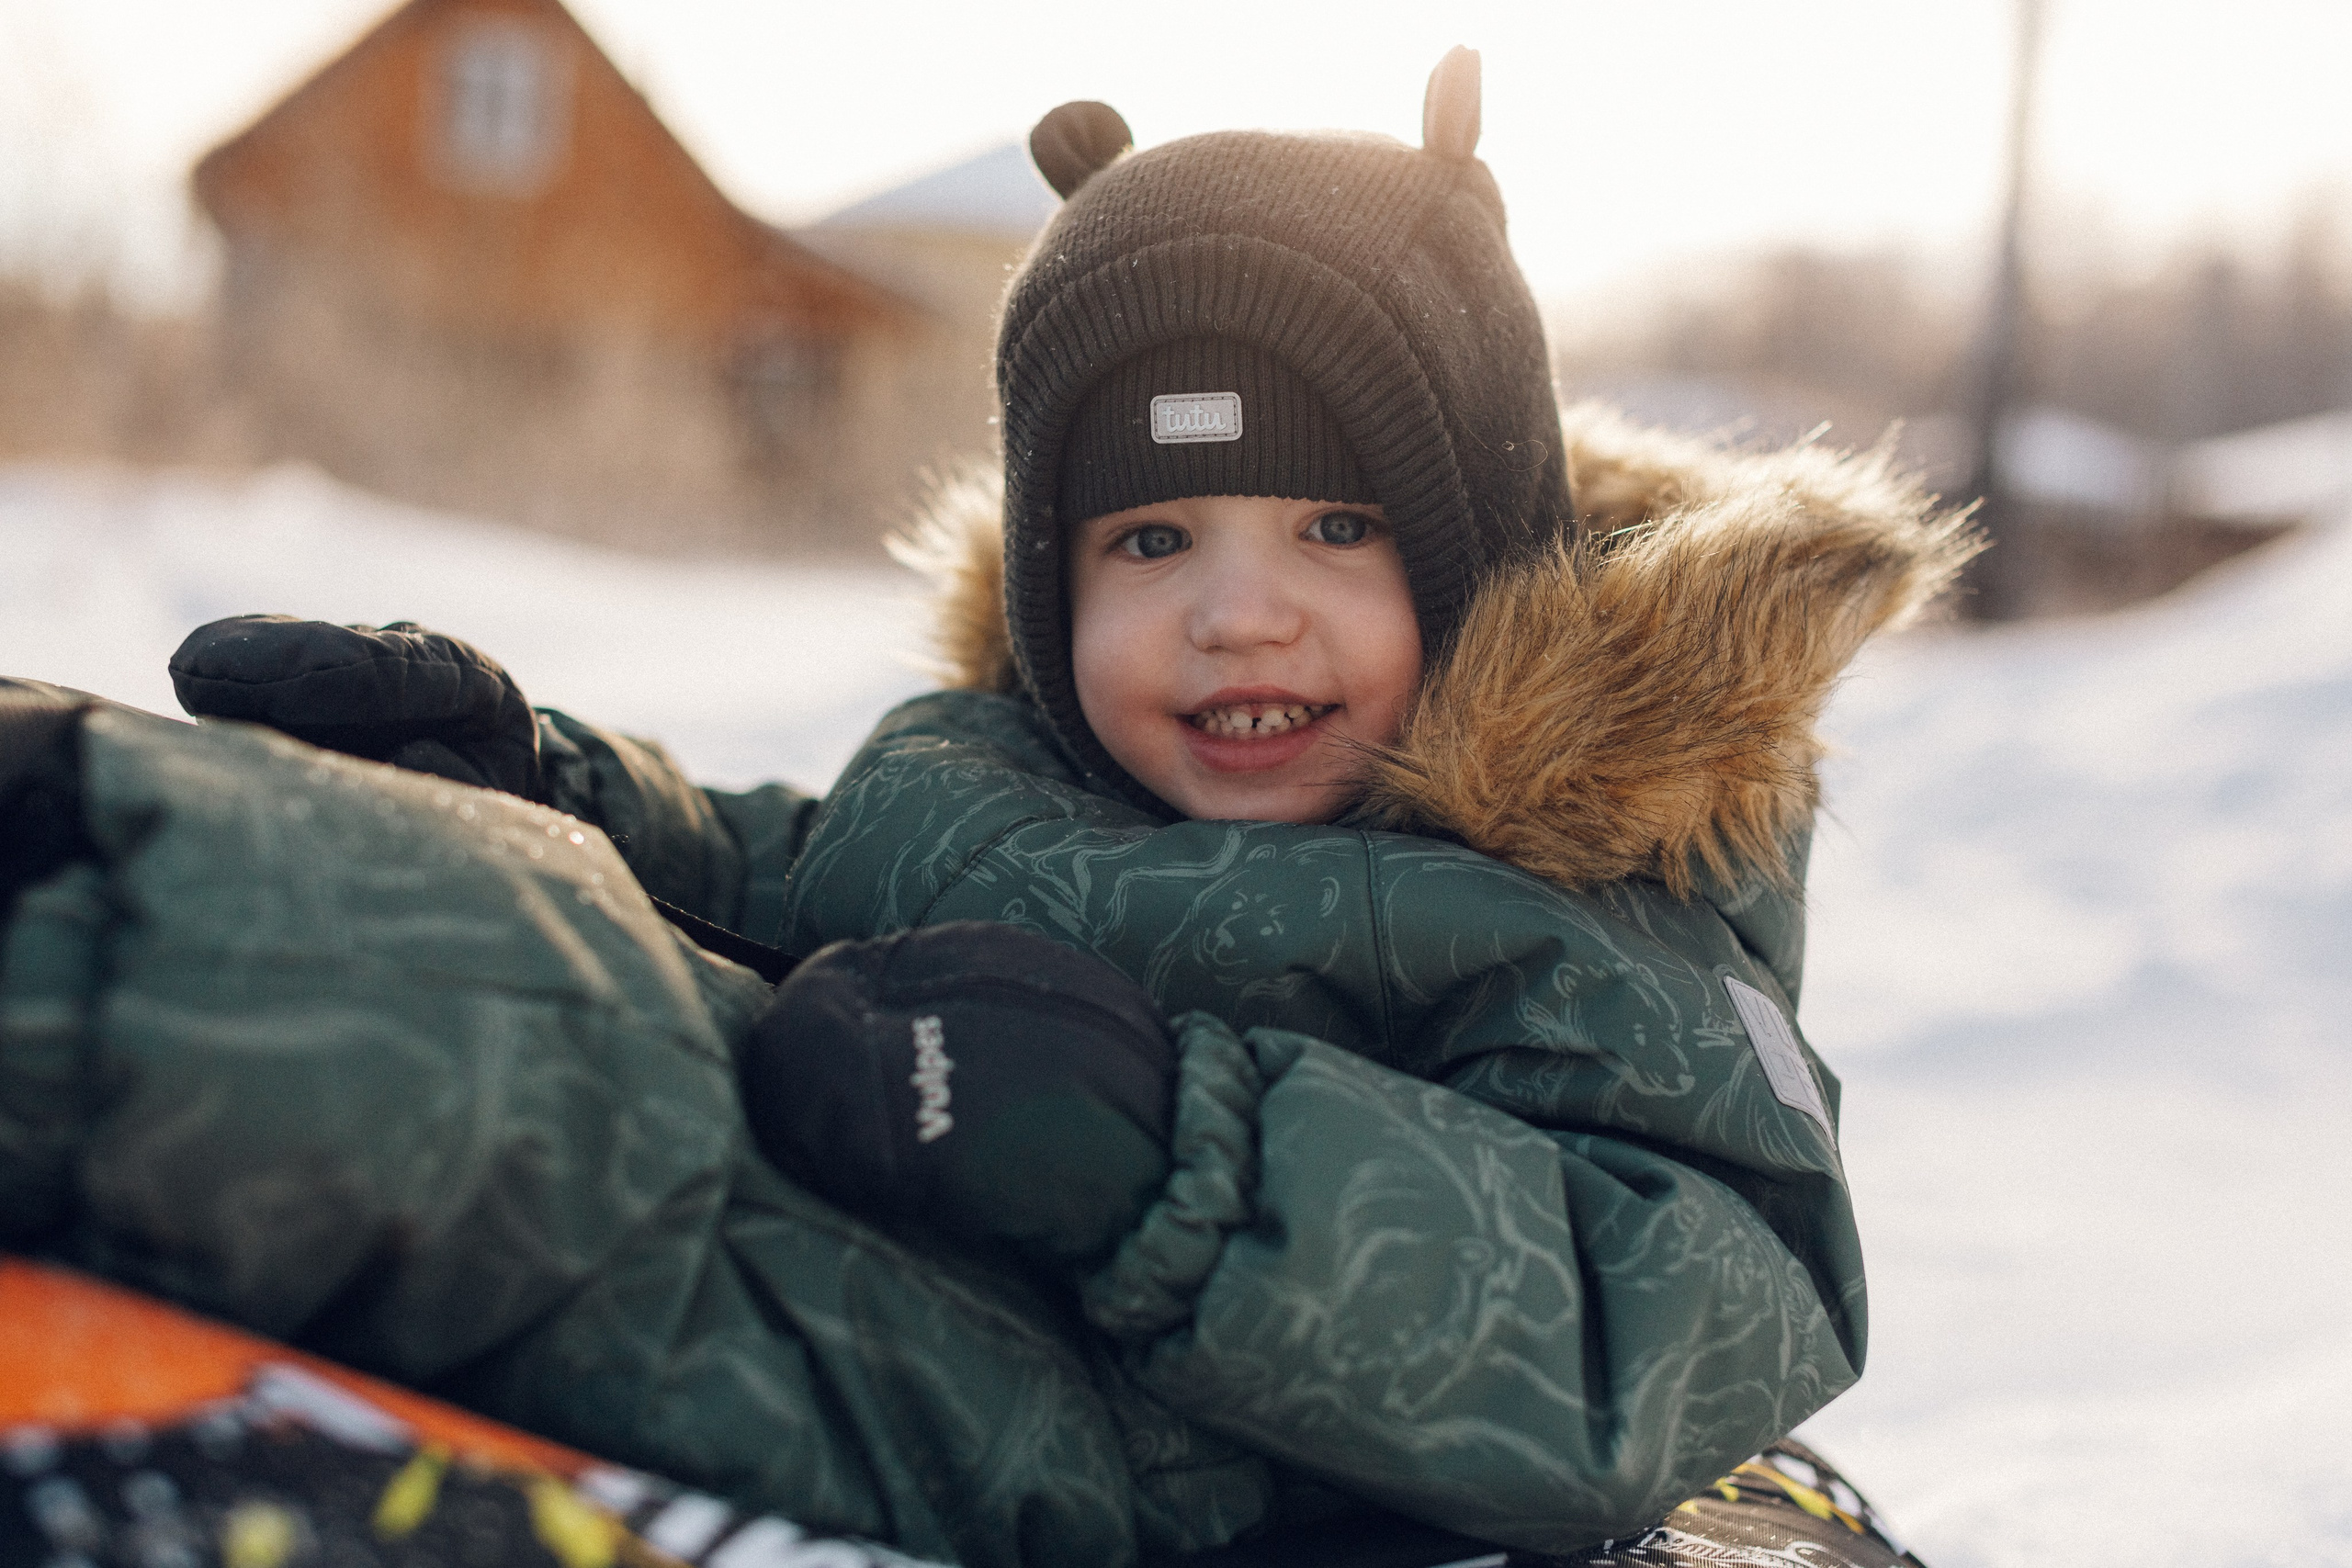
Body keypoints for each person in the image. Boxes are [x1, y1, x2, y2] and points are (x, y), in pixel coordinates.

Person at [6, 50, 1964, 1568]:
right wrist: (533, 776)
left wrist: (1162, 1160)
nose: (1233, 606)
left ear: (1475, 565)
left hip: (1115, 1426)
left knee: (539, 1070)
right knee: (505, 920)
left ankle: (78, 944)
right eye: (1149, 537)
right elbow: (777, 864)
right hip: (870, 1227)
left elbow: (1680, 1294)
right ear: (1049, 583)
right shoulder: (1011, 770)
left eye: (1337, 528)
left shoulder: (1577, 896)